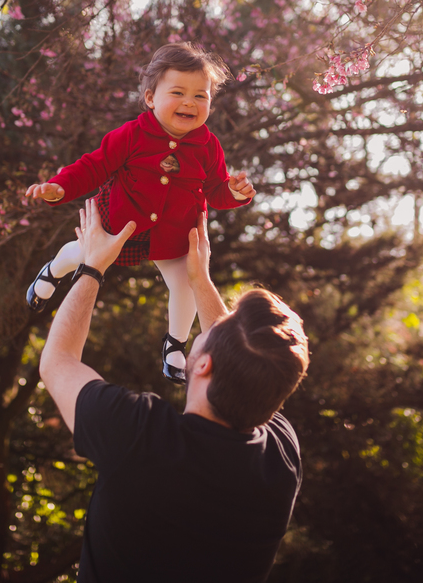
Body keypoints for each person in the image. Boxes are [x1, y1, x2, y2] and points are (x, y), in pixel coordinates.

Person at [39, 200, 309, 583]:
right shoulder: (280, 457)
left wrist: (92, 267)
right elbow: (243, 359)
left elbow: (57, 362)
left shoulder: (139, 436)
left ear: (202, 365)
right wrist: (199, 281)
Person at [25, 42, 255, 384]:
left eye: (201, 96)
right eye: (178, 92)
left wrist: (234, 192)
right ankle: (53, 271)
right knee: (84, 253)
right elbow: (94, 166)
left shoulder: (209, 146)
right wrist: (60, 187)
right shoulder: (132, 134)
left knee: (186, 284)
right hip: (123, 221)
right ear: (150, 98)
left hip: (176, 233)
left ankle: (175, 344)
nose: (190, 102)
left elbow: (216, 191)